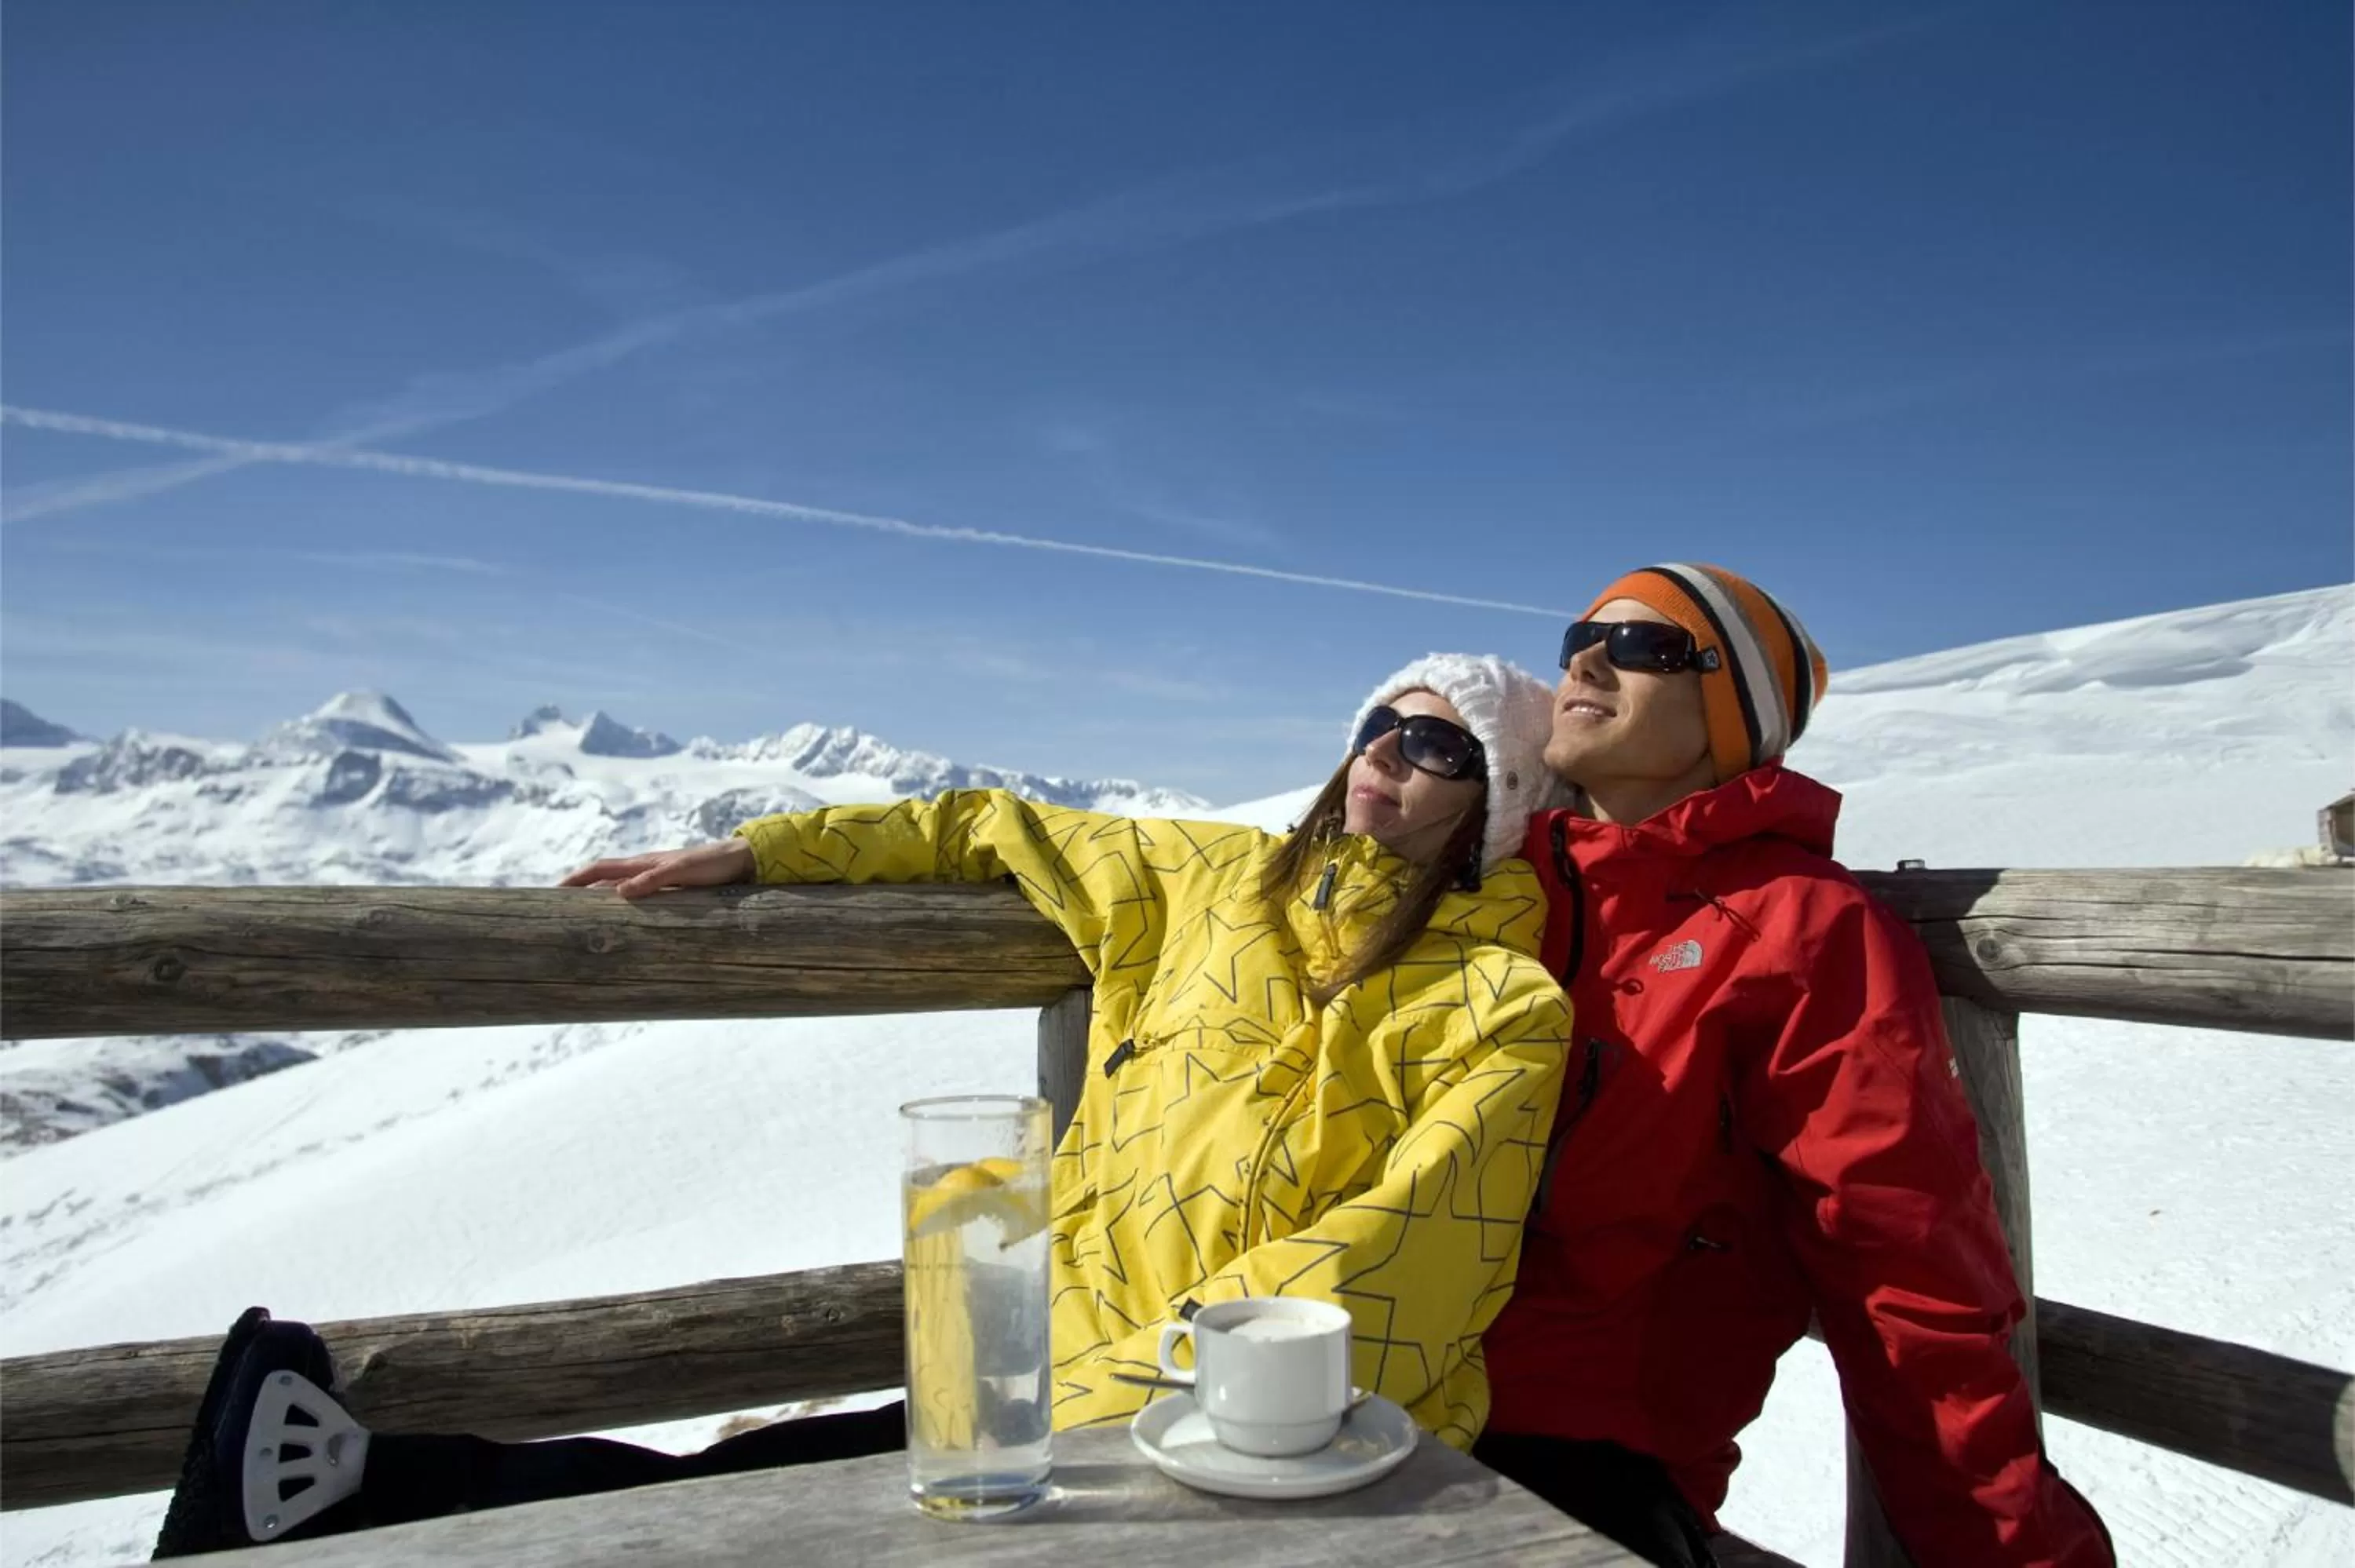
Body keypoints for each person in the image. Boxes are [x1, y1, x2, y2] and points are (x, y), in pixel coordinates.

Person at [152, 655, 1575, 1558]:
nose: (1392, 753)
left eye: (1441, 746)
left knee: (773, 1512)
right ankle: (360, 1489)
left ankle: (361, 1497)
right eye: (1383, 723)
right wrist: (763, 849)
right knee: (738, 1493)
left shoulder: (1502, 1003)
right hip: (1051, 1393)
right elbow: (982, 823)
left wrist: (1182, 1380)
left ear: (1498, 802)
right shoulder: (1209, 879)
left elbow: (1416, 1252)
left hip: (1288, 1445)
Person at [1470, 563, 2114, 1568]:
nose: (1587, 660)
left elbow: (1904, 1260)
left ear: (1730, 712)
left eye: (1647, 645)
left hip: (1576, 1458)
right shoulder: (1492, 892)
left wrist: (2012, 1552)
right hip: (1373, 1391)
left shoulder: (1802, 927)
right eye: (1577, 639)